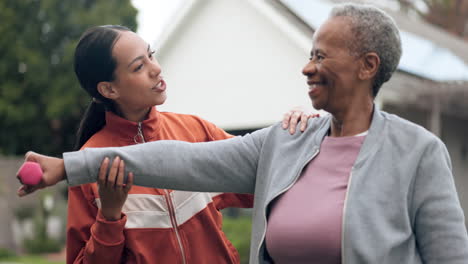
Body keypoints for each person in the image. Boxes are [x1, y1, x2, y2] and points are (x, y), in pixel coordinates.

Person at [17, 3, 468, 264]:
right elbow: (179, 160)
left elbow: (450, 257)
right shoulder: (279, 141)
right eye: (139, 66)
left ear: (368, 67)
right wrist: (76, 173)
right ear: (108, 88)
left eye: (321, 56)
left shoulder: (418, 151)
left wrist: (292, 136)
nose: (306, 66)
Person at [26, 25, 315, 264]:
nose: (156, 69)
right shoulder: (90, 164)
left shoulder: (195, 130)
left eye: (151, 56)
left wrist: (295, 131)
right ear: (109, 89)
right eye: (139, 66)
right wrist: (110, 217)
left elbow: (267, 179)